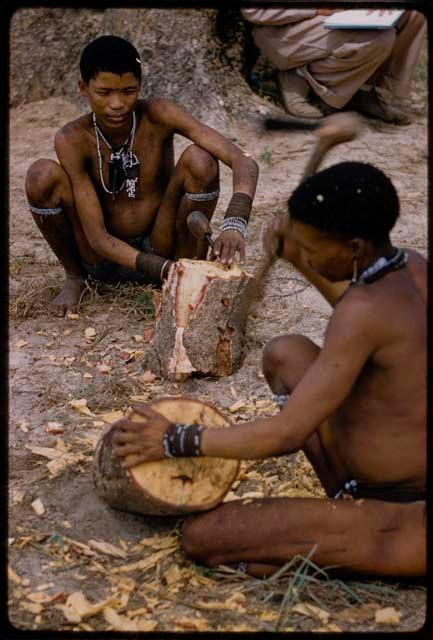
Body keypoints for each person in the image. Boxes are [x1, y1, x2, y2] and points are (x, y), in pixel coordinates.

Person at [112, 161, 426, 578]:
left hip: (406, 512)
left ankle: (356, 543)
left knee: (203, 538)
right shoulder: (411, 265)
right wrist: (297, 255)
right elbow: (365, 323)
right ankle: (344, 511)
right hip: (385, 472)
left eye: (313, 248)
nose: (308, 254)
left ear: (353, 248)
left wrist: (176, 439)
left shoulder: (363, 311)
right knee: (286, 354)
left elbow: (286, 435)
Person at [25, 35, 259, 317]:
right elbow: (97, 238)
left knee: (201, 159)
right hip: (100, 257)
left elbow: (242, 160)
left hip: (162, 245)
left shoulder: (160, 113)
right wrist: (162, 269)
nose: (117, 104)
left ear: (140, 86)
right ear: (83, 88)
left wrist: (235, 222)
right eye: (104, 93)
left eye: (128, 91)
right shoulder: (72, 138)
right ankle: (75, 277)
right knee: (41, 175)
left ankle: (189, 271)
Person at [241, 8, 426, 124]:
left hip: (332, 16)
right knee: (380, 38)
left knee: (413, 15)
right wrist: (315, 10)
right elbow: (254, 12)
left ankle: (364, 89)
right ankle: (298, 76)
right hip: (285, 29)